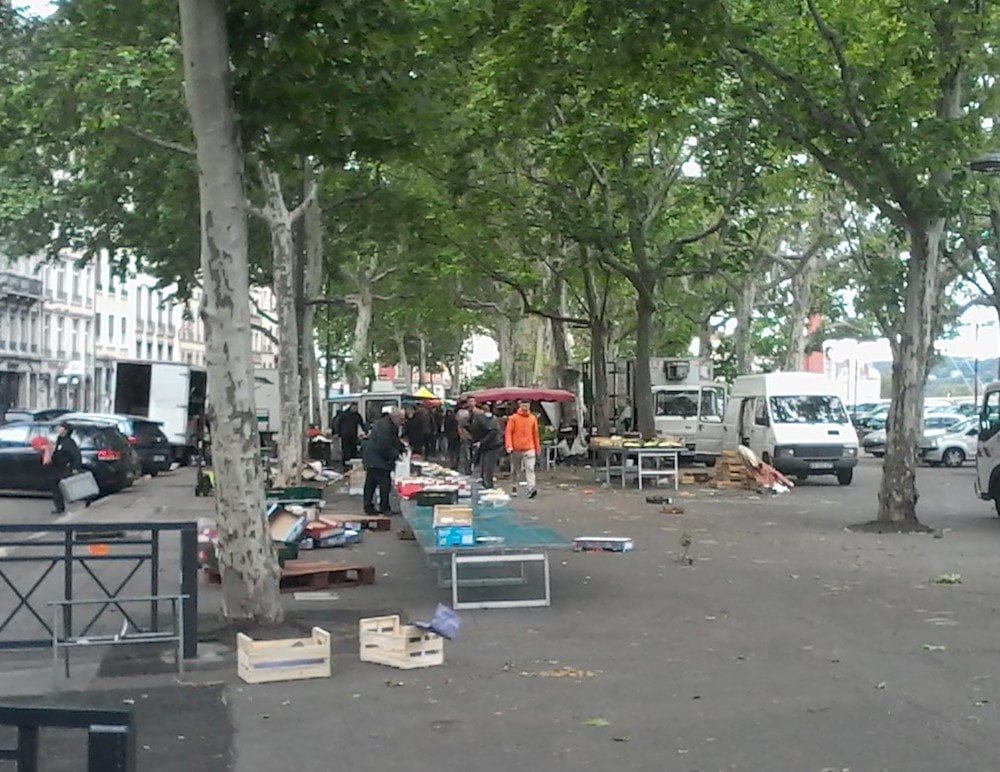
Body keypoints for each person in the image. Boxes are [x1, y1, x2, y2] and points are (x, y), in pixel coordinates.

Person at [362, 407, 405, 515]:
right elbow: (384, 444)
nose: (402, 422)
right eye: (401, 420)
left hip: (373, 458)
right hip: (378, 459)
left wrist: (401, 447)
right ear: (395, 418)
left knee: (371, 483)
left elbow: (393, 439)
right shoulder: (386, 426)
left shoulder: (387, 424)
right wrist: (396, 455)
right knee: (383, 483)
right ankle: (383, 508)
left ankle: (370, 507)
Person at [504, 400, 540, 498]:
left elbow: (535, 434)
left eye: (527, 404)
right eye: (524, 404)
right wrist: (509, 446)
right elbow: (508, 433)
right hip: (516, 448)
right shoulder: (513, 418)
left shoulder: (533, 418)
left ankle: (531, 488)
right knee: (515, 470)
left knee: (530, 468)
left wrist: (537, 448)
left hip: (529, 447)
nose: (525, 406)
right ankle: (514, 486)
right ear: (520, 405)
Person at [45, 423, 82, 514]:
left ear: (65, 430)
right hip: (56, 467)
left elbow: (76, 455)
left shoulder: (69, 442)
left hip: (64, 468)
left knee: (67, 487)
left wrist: (75, 467)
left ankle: (86, 498)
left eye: (60, 428)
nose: (58, 429)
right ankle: (59, 507)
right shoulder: (59, 440)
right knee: (55, 488)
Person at [470, 402, 504, 490]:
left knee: (487, 468)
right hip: (492, 445)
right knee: (486, 467)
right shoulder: (493, 418)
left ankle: (488, 488)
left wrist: (480, 442)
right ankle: (487, 486)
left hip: (489, 446)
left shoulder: (479, 418)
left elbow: (491, 432)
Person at [335, 403, 365, 470]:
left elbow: (362, 424)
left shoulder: (357, 415)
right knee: (345, 450)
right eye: (354, 408)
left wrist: (366, 432)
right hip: (345, 435)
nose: (355, 409)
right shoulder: (344, 415)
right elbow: (337, 423)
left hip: (353, 435)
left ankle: (352, 463)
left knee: (353, 450)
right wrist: (337, 432)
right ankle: (345, 464)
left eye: (356, 408)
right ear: (351, 407)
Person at [456, 397, 475, 474]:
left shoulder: (461, 413)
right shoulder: (464, 413)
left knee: (466, 454)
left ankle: (467, 469)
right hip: (467, 435)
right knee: (467, 454)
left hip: (465, 436)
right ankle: (468, 469)